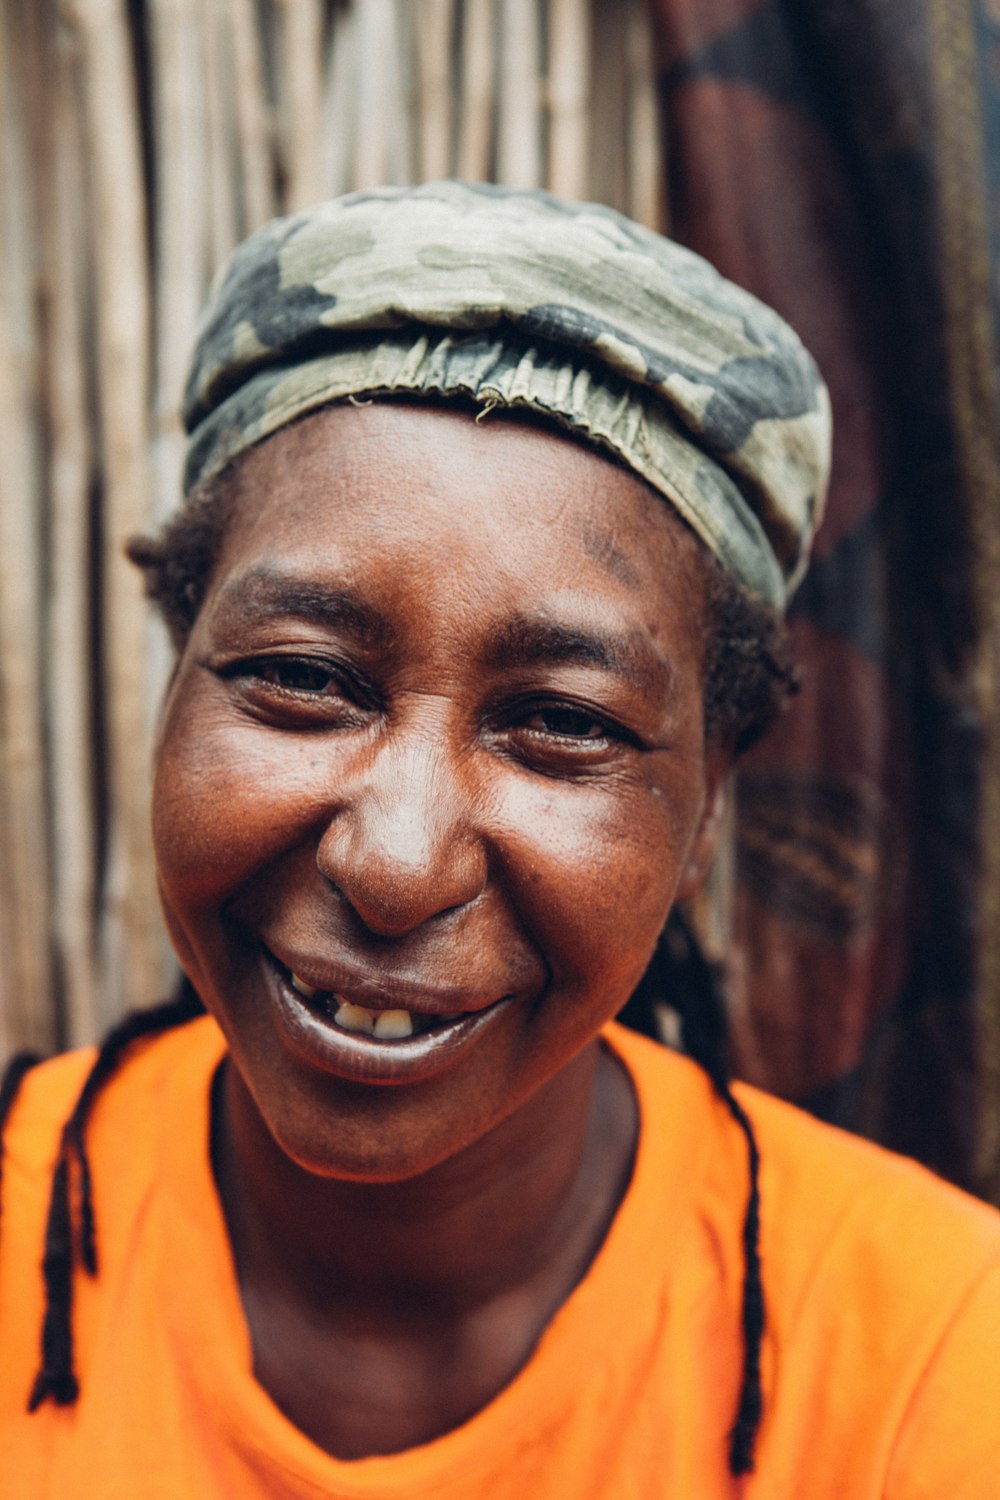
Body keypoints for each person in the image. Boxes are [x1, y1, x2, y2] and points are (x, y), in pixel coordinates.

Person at [0, 182, 997, 1498]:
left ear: (706, 801)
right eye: (306, 677)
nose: (397, 864)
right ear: (179, 672)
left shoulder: (933, 1360)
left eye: (560, 722)